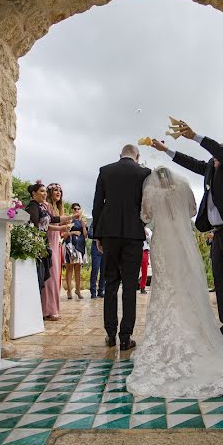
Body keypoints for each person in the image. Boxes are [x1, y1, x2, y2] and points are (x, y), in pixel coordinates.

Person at [126, 166, 223, 398]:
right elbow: (193, 210)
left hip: (163, 242)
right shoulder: (183, 186)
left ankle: (165, 342)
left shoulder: (151, 191)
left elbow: (145, 217)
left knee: (164, 288)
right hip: (182, 243)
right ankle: (195, 331)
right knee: (185, 286)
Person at [151, 123, 223, 348]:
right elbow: (192, 163)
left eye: (217, 157)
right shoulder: (211, 168)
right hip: (219, 234)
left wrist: (194, 136)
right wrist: (165, 150)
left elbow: (219, 152)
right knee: (222, 281)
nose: (214, 161)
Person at [91, 144, 152, 351]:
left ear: (120, 155)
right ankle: (126, 337)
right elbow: (147, 204)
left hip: (109, 232)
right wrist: (143, 225)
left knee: (110, 283)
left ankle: (110, 334)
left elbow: (97, 204)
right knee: (129, 286)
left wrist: (97, 235)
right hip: (134, 234)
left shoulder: (105, 170)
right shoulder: (144, 173)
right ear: (137, 156)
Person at [43, 183, 77, 320]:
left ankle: (53, 308)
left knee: (56, 276)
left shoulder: (58, 208)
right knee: (50, 275)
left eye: (60, 191)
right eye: (55, 190)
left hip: (57, 244)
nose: (58, 192)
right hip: (49, 242)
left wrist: (66, 231)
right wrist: (65, 225)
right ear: (50, 192)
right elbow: (46, 225)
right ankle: (48, 310)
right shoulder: (46, 206)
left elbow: (62, 231)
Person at [24, 182, 52, 293]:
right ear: (34, 193)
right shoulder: (33, 206)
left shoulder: (40, 206)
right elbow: (34, 226)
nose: (45, 193)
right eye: (42, 191)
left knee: (41, 273)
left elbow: (53, 218)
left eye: (45, 191)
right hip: (37, 244)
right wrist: (39, 245)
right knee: (38, 274)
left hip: (42, 242)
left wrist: (71, 217)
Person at [63, 203, 87, 300]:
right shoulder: (69, 220)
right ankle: (69, 291)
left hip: (80, 247)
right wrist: (73, 232)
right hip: (70, 246)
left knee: (78, 270)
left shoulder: (82, 221)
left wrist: (84, 226)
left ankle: (78, 290)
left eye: (78, 209)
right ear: (72, 210)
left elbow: (85, 236)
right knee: (69, 269)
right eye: (75, 209)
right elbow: (64, 235)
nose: (76, 210)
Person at [89, 220, 105, 298]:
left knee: (104, 271)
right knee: (95, 269)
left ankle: (101, 290)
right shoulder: (95, 222)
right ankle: (93, 292)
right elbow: (90, 234)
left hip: (105, 248)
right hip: (95, 247)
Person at [139, 226, 152, 294]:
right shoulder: (135, 228)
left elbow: (149, 238)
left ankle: (142, 287)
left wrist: (144, 230)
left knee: (144, 270)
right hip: (136, 250)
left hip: (145, 250)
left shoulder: (148, 230)